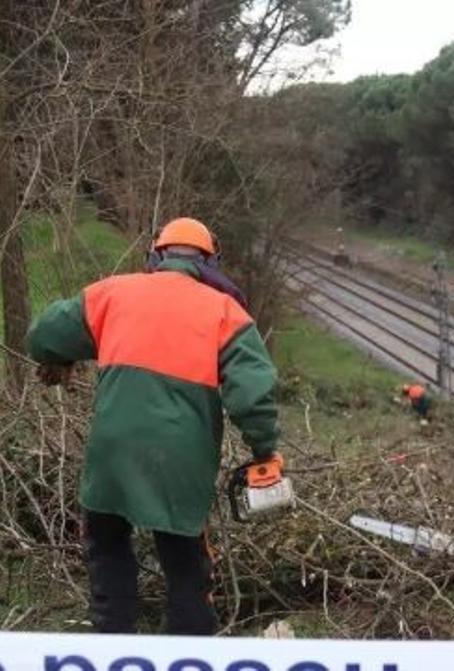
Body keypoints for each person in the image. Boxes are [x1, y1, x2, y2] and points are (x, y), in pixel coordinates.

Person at [27, 216, 280, 635]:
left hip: (112, 453)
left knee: (107, 548)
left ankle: (113, 644)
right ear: (210, 262)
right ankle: (188, 652)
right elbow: (252, 394)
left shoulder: (112, 293)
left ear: (156, 255)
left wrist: (62, 354)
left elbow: (44, 334)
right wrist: (264, 449)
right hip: (180, 461)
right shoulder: (225, 313)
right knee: (186, 568)